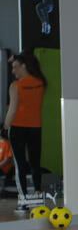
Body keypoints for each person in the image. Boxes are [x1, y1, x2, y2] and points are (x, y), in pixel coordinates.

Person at [1, 52, 46, 211]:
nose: (13, 71)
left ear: (23, 66)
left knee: (20, 165)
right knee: (35, 164)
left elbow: (12, 111)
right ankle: (38, 199)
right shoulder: (41, 83)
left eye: (14, 67)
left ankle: (24, 202)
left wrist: (4, 128)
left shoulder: (15, 86)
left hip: (17, 128)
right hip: (35, 128)